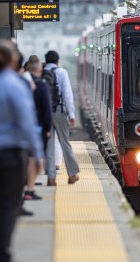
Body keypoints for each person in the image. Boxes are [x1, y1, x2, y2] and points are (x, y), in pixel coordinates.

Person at [0, 42, 43, 262]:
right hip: (10, 154)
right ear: (13, 60)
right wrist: (37, 153)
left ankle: (0, 248)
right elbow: (26, 121)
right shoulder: (15, 85)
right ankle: (2, 252)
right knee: (8, 204)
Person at [43, 50, 80, 186]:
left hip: (45, 113)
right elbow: (67, 95)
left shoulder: (42, 73)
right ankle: (72, 174)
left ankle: (51, 178)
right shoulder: (62, 72)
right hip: (59, 111)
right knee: (65, 142)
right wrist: (71, 114)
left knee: (49, 143)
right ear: (57, 61)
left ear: (46, 61)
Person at [25, 60, 52, 201]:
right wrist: (48, 128)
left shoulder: (21, 84)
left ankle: (29, 189)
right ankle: (29, 189)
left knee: (29, 159)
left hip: (21, 129)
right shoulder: (41, 86)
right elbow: (46, 110)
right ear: (40, 70)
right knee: (37, 162)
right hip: (37, 129)